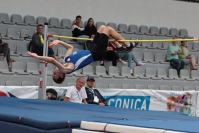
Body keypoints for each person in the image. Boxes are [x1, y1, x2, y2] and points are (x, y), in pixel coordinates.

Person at [28, 25, 133, 84]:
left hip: (93, 49)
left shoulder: (66, 61)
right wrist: (37, 56)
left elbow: (70, 47)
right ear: (61, 75)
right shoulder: (67, 69)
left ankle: (119, 46)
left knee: (101, 27)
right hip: (96, 53)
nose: (53, 73)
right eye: (54, 75)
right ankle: (128, 45)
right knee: (108, 30)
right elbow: (52, 60)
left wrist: (59, 42)